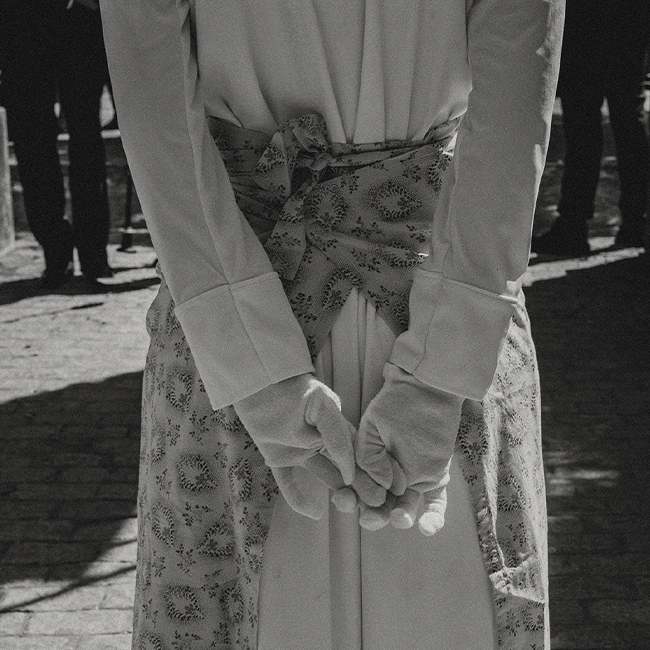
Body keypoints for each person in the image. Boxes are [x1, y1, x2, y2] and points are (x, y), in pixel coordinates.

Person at [101, 1, 564, 649]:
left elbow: (156, 116)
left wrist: (253, 369)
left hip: (229, 313)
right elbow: (513, 124)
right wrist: (438, 377)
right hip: (439, 307)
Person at [0, 0, 112, 289]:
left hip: (78, 17)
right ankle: (57, 248)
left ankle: (91, 250)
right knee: (33, 139)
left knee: (84, 135)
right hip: (22, 21)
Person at [531, 0, 650, 257]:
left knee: (583, 116)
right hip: (632, 14)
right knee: (627, 114)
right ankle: (636, 220)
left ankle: (573, 225)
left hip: (588, 16)